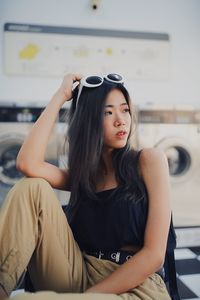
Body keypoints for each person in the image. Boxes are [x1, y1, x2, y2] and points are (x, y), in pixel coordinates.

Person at [0, 73, 175, 300]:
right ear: (89, 120)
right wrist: (60, 96)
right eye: (107, 112)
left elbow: (154, 256)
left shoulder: (147, 160)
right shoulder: (84, 177)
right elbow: (27, 163)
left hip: (134, 285)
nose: (121, 120)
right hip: (80, 273)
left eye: (125, 110)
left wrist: (88, 297)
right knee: (31, 187)